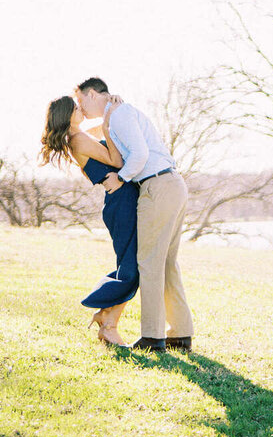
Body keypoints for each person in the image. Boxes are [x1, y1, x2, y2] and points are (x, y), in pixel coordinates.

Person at [73, 77, 193, 353]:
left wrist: (121, 177)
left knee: (149, 263)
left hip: (156, 187)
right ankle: (180, 334)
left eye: (81, 101)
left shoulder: (120, 115)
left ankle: (152, 337)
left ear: (92, 94)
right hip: (171, 184)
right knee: (166, 264)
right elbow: (90, 128)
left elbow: (138, 154)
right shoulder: (118, 113)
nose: (80, 106)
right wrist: (105, 116)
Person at [39, 95, 141, 347]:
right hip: (121, 203)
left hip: (122, 200)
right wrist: (107, 126)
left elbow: (98, 131)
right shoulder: (78, 139)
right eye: (76, 108)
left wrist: (110, 115)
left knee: (132, 264)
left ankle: (107, 318)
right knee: (131, 267)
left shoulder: (78, 136)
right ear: (68, 115)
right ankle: (108, 323)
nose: (80, 108)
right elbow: (117, 161)